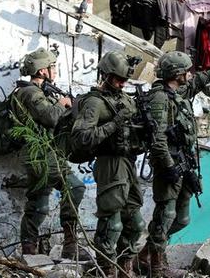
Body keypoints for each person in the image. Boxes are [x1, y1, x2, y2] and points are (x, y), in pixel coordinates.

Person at [137, 51, 210, 277]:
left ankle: (145, 255)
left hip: (185, 165)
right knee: (165, 216)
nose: (189, 74)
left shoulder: (176, 92)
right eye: (186, 71)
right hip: (169, 166)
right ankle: (156, 266)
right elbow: (157, 138)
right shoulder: (160, 98)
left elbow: (195, 83)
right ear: (177, 74)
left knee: (182, 219)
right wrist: (169, 166)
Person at [10, 48, 89, 260]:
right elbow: (51, 117)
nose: (55, 71)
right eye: (52, 67)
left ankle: (29, 252)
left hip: (40, 153)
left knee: (38, 204)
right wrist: (63, 104)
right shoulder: (30, 93)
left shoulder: (37, 91)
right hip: (42, 154)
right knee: (75, 187)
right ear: (43, 70)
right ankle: (70, 244)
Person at [71, 52, 145, 276]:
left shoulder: (124, 98)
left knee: (135, 224)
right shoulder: (95, 102)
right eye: (118, 79)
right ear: (106, 75)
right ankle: (105, 271)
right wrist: (114, 124)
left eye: (125, 80)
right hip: (109, 164)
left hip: (128, 163)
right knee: (111, 225)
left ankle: (125, 269)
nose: (122, 84)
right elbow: (81, 138)